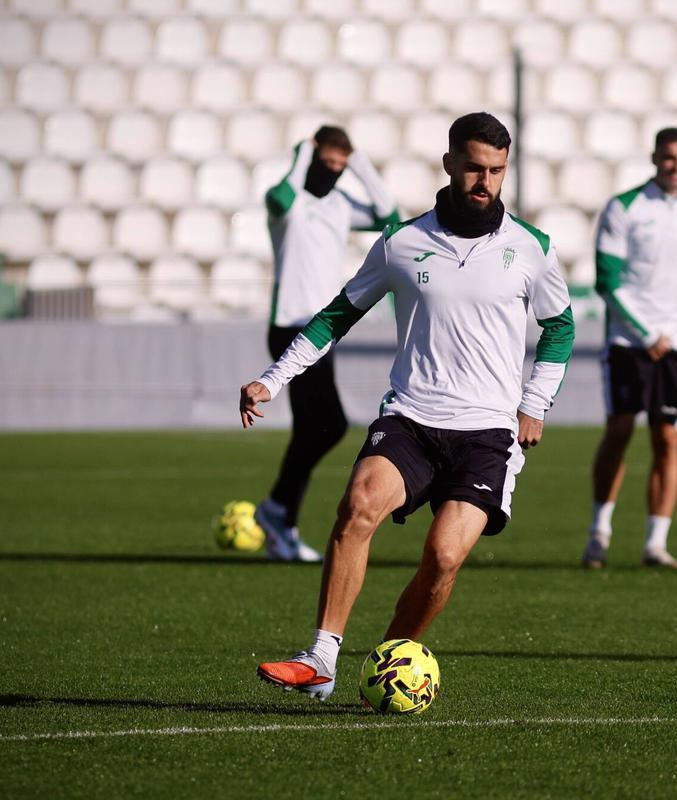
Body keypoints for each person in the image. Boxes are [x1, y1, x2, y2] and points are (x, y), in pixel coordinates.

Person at [238, 112, 575, 700]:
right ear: (449, 163)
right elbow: (337, 316)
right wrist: (274, 379)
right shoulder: (401, 242)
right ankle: (321, 658)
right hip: (411, 419)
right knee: (359, 504)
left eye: (497, 171)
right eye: (474, 167)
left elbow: (560, 328)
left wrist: (535, 403)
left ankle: (388, 661)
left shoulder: (532, 248)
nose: (485, 182)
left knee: (442, 557)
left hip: (487, 434)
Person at [582, 128, 677, 570]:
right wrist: (646, 333)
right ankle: (599, 532)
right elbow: (607, 281)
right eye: (670, 157)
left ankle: (656, 543)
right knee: (619, 430)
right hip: (629, 343)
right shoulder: (625, 207)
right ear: (654, 158)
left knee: (667, 438)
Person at [255, 125, 400, 562]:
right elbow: (279, 199)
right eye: (327, 163)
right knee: (328, 425)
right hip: (291, 328)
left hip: (324, 330)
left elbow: (390, 216)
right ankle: (278, 512)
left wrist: (360, 164)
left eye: (340, 166)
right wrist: (302, 154)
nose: (332, 172)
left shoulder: (339, 204)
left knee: (314, 428)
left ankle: (279, 516)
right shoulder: (291, 201)